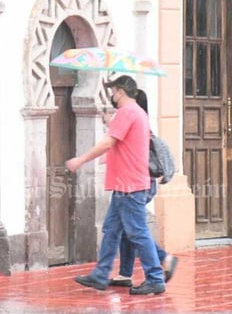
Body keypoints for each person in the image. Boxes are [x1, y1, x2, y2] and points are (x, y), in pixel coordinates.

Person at [66, 75, 166, 295]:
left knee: (138, 233)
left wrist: (80, 160)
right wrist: (110, 123)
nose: (112, 95)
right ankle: (100, 275)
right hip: (126, 184)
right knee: (111, 230)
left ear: (120, 91)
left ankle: (155, 278)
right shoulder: (136, 113)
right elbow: (122, 139)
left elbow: (108, 143)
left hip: (129, 185)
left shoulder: (127, 112)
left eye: (113, 91)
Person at [108, 89, 178, 288]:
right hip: (134, 183)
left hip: (134, 184)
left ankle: (163, 261)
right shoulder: (138, 121)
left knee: (134, 229)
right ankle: (125, 274)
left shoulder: (136, 122)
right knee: (126, 228)